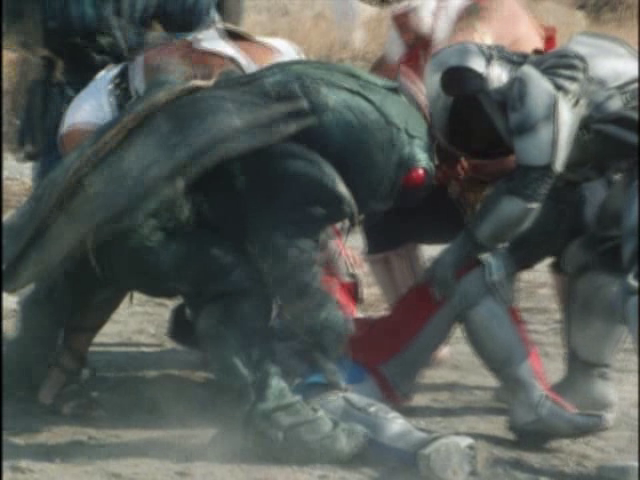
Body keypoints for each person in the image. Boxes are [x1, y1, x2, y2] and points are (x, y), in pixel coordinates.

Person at [415, 31, 637, 442]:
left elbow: (527, 193)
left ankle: (577, 384)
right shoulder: (565, 80)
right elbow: (557, 195)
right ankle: (588, 381)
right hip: (621, 172)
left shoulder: (537, 89)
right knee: (595, 258)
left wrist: (462, 251)